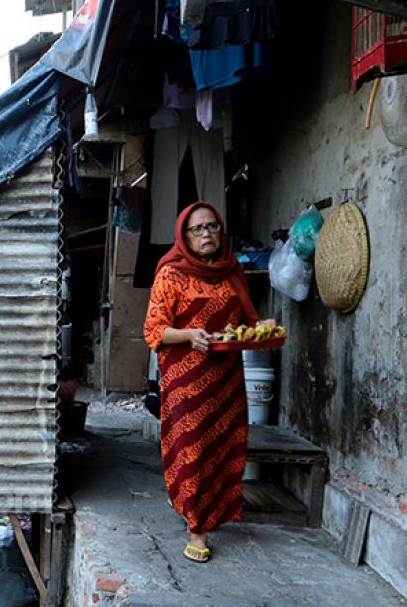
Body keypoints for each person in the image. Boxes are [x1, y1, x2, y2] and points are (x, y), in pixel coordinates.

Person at [143, 202, 276, 563]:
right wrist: (187, 336)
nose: (207, 234)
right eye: (198, 229)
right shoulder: (171, 273)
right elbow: (153, 330)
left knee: (221, 445)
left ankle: (207, 509)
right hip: (185, 378)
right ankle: (197, 529)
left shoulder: (232, 270)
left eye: (213, 227)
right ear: (184, 236)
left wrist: (262, 327)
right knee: (192, 447)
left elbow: (245, 320)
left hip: (225, 376)